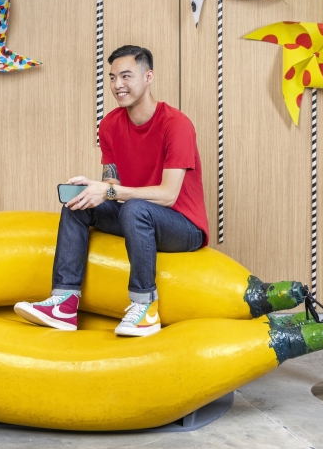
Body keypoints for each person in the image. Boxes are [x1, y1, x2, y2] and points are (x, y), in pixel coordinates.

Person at [14, 45, 208, 337]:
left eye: (126, 76)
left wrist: (109, 193)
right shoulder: (109, 125)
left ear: (148, 77)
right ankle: (64, 303)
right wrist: (96, 188)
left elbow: (168, 195)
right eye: (113, 77)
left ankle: (145, 307)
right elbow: (113, 183)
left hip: (183, 225)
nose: (118, 85)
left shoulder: (176, 125)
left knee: (134, 209)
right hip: (137, 215)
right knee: (78, 203)